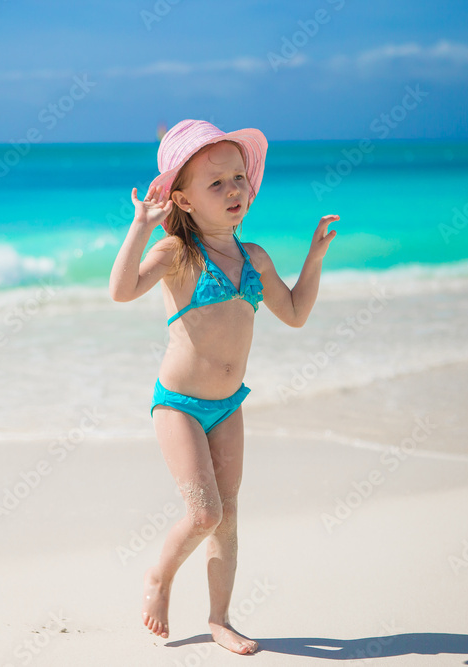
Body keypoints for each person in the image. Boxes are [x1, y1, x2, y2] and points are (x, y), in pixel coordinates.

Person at [109, 119, 338, 655]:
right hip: (179, 407)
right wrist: (141, 225)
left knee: (228, 516)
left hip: (228, 406)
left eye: (238, 177)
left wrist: (315, 259)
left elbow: (297, 313)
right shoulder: (175, 254)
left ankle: (219, 619)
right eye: (216, 184)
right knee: (204, 512)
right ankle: (159, 578)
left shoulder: (254, 258)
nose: (234, 189)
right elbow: (120, 291)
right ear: (182, 201)